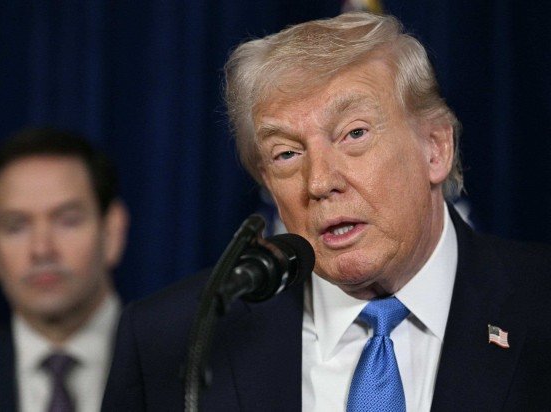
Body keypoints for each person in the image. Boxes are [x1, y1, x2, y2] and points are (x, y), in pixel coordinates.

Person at [102, 12, 551, 411]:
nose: (318, 183)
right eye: (286, 154)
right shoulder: (174, 340)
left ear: (435, 149)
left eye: (354, 134)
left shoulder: (539, 302)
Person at [0, 128, 129, 412]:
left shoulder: (178, 363)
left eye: (67, 220)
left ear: (112, 232)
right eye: (16, 226)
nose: (42, 249)